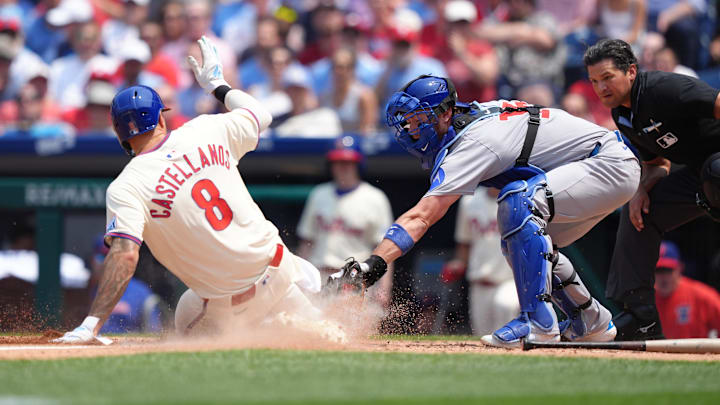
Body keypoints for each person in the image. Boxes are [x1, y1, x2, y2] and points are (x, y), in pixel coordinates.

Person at [54, 36, 343, 344]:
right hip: (281, 268)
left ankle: (265, 330)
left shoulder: (126, 186)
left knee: (186, 320)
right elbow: (263, 116)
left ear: (119, 133)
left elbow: (125, 256)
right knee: (331, 336)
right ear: (161, 118)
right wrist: (218, 85)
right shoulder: (206, 128)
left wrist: (92, 323)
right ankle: (295, 319)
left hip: (234, 303)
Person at [327, 74, 639, 348]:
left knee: (517, 201)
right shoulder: (472, 117)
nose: (410, 128)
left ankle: (539, 324)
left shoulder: (472, 142)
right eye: (407, 121)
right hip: (596, 165)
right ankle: (590, 319)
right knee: (524, 244)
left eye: (418, 118)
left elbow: (423, 216)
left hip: (606, 164)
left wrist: (371, 267)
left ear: (446, 113)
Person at [583, 38, 720, 340]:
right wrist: (642, 188)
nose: (601, 87)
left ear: (631, 71)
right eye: (594, 81)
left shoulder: (663, 88)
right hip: (698, 176)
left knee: (716, 172)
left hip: (715, 168)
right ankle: (639, 315)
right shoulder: (621, 113)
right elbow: (658, 163)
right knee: (639, 212)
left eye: (607, 77)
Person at [297, 136, 393, 306]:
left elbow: (385, 249)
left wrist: (384, 288)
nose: (343, 167)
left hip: (355, 278)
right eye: (338, 162)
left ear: (358, 164)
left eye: (348, 162)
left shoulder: (375, 198)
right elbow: (307, 241)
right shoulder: (319, 194)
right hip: (320, 276)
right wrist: (299, 277)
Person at [443, 188, 519, 336]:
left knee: (505, 309)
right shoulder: (469, 201)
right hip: (479, 282)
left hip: (510, 280)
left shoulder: (517, 198)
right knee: (482, 336)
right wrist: (459, 263)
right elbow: (465, 242)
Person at [655, 241, 720, 339]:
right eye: (659, 271)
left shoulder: (702, 296)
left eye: (668, 270)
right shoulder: (645, 299)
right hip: (659, 354)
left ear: (679, 268)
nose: (663, 277)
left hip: (698, 353)